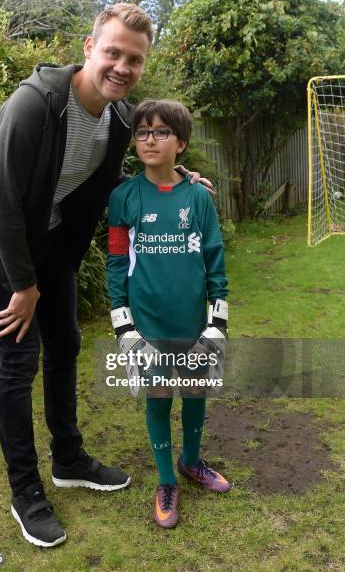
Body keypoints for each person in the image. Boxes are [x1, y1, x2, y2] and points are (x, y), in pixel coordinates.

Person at [0, 3, 213, 547]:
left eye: (135, 59)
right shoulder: (36, 105)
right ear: (89, 49)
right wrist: (24, 286)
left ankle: (69, 458)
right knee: (19, 359)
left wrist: (180, 172)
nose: (122, 66)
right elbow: (1, 202)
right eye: (113, 53)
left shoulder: (120, 119)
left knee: (67, 343)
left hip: (50, 242)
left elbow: (112, 175)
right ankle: (25, 491)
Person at [107, 99, 231, 530]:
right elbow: (117, 263)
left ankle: (191, 462)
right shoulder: (123, 197)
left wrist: (218, 319)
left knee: (194, 392)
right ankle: (165, 481)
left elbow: (215, 259)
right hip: (148, 323)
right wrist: (122, 320)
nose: (150, 139)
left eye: (161, 132)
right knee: (159, 396)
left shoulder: (198, 197)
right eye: (142, 131)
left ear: (181, 142)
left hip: (192, 321)